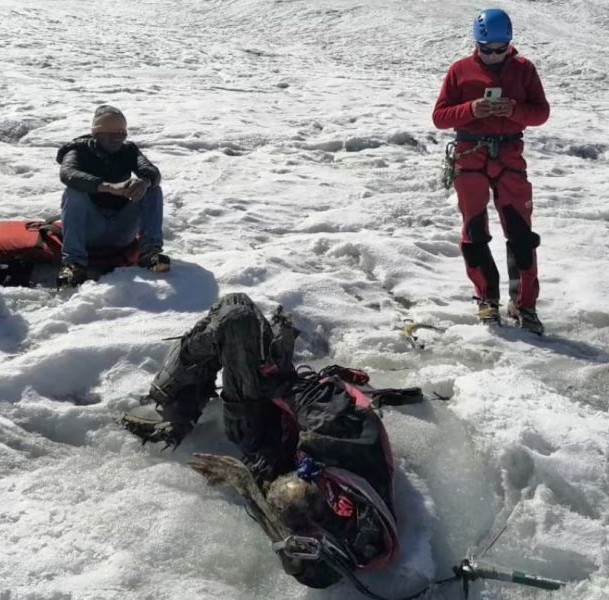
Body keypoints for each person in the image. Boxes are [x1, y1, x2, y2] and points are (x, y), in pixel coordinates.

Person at [121, 294, 414, 589]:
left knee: (236, 316)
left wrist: (247, 478)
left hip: (262, 438)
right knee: (242, 314)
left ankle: (173, 406)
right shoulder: (343, 438)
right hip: (287, 414)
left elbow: (280, 512)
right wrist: (272, 372)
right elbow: (310, 396)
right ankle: (183, 394)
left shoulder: (330, 537)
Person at [432, 8, 550, 334]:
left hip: (510, 156)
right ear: (477, 43)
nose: (495, 56)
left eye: (502, 49)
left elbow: (541, 113)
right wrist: (471, 110)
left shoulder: (524, 69)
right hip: (470, 157)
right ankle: (487, 300)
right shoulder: (460, 71)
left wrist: (514, 110)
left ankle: (524, 304)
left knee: (521, 235)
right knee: (474, 232)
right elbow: (440, 117)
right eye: (488, 49)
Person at [55, 105, 168, 288]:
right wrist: (107, 187)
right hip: (89, 230)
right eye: (112, 134)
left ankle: (151, 253)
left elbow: (151, 171)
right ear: (97, 134)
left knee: (152, 189)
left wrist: (144, 182)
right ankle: (73, 264)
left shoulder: (128, 150)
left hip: (121, 229)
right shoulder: (77, 150)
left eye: (121, 134)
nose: (118, 140)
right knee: (73, 191)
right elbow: (68, 174)